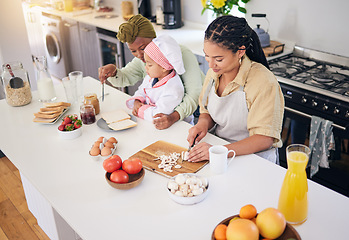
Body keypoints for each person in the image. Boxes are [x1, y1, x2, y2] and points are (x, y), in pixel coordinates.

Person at [187, 15, 284, 164]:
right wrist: (202, 124)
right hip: (218, 149)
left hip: (254, 160)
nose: (211, 65)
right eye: (207, 57)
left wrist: (220, 151)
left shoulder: (263, 82)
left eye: (219, 59)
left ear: (240, 52)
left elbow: (264, 139)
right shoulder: (215, 73)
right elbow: (206, 111)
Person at [98, 14, 203, 129]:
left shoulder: (181, 54)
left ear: (154, 37)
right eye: (133, 51)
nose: (140, 55)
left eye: (143, 48)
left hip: (194, 111)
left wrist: (173, 117)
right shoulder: (145, 59)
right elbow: (127, 78)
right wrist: (113, 72)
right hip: (162, 116)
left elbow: (194, 95)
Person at [126, 35, 188, 123]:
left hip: (176, 128)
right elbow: (141, 90)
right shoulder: (151, 77)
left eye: (149, 65)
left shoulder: (173, 89)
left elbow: (159, 115)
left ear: (164, 67)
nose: (145, 67)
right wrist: (137, 101)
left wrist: (140, 110)